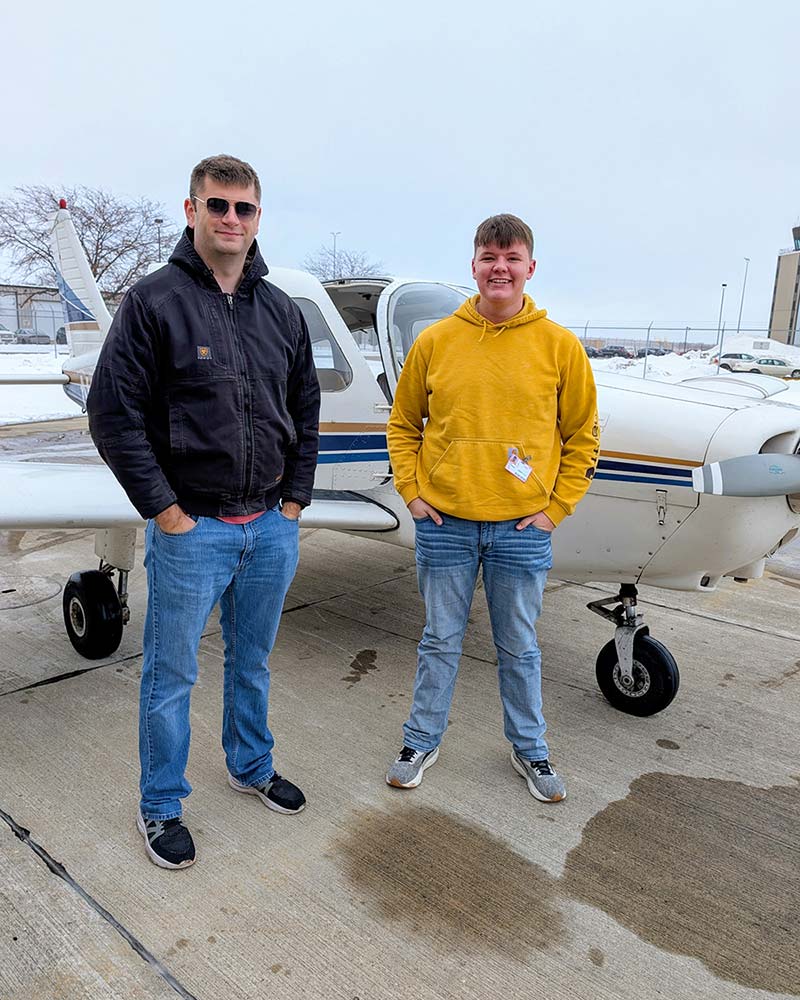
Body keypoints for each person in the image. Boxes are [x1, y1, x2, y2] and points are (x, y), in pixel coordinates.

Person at [88, 154, 320, 868]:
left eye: (244, 209)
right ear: (191, 211)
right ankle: (160, 805)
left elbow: (305, 408)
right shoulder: (152, 301)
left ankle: (250, 767)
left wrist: (293, 501)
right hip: (194, 530)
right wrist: (165, 512)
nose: (230, 220)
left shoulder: (280, 309)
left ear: (258, 218)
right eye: (217, 206)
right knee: (171, 675)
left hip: (269, 528)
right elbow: (113, 415)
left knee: (251, 662)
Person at [385, 213, 598, 803]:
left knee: (521, 647)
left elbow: (583, 436)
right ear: (474, 265)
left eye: (511, 258)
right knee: (438, 641)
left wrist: (556, 510)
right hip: (445, 525)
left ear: (530, 267)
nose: (499, 268)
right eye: (488, 257)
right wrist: (413, 493)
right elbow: (403, 425)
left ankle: (530, 749)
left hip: (523, 528)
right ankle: (420, 740)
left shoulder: (559, 346)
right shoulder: (436, 341)